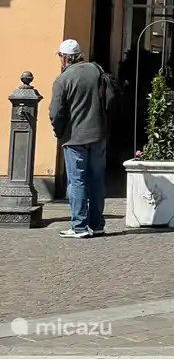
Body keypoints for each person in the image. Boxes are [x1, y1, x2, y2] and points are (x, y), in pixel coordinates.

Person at [48, 39, 109, 239]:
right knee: (97, 179)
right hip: (98, 133)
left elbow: (56, 112)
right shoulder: (96, 70)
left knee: (77, 181)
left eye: (60, 57)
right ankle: (97, 224)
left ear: (65, 58)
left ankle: (79, 226)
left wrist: (59, 131)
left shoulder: (62, 80)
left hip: (75, 138)